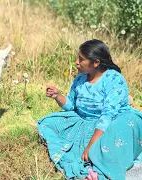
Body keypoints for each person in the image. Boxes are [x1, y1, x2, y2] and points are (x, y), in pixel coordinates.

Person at [37, 39, 142, 180]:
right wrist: (58, 96)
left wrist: (91, 146)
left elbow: (107, 116)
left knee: (119, 130)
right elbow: (72, 106)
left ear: (96, 63)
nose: (76, 62)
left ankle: (101, 168)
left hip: (113, 122)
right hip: (85, 122)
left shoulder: (114, 79)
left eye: (81, 59)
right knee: (48, 123)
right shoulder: (80, 79)